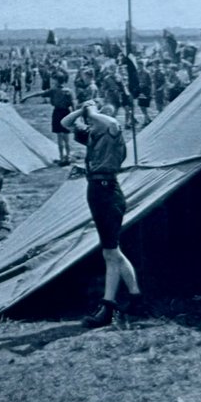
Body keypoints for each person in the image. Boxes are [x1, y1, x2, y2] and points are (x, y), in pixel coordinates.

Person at [62, 100, 142, 328]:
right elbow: (65, 123)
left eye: (94, 119)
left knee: (110, 253)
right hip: (97, 191)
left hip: (108, 192)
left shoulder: (112, 132)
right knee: (113, 251)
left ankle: (108, 307)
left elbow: (111, 122)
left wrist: (92, 110)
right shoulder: (94, 135)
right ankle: (136, 297)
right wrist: (82, 110)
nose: (90, 122)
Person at [48, 75, 74, 165]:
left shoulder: (53, 90)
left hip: (57, 112)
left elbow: (40, 94)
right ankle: (68, 156)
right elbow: (72, 103)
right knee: (66, 137)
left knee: (59, 136)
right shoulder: (68, 91)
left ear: (57, 81)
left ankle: (61, 157)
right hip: (66, 112)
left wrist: (27, 97)